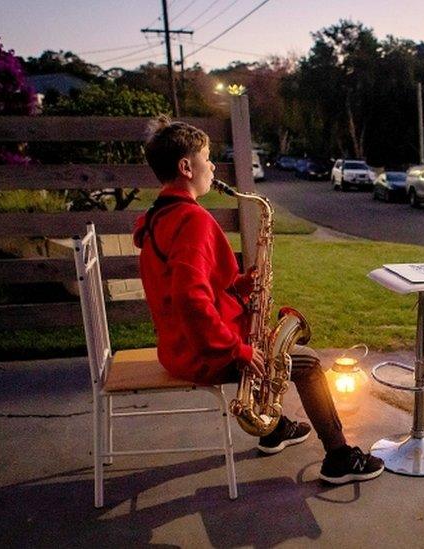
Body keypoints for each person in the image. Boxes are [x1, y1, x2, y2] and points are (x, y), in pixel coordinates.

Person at [132, 116, 383, 484]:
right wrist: (239, 350)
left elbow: (185, 286)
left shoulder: (156, 218)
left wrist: (236, 284)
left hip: (176, 346)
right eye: (207, 157)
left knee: (275, 346)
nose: (214, 166)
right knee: (309, 363)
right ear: (186, 167)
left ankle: (274, 429)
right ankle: (340, 458)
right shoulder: (193, 221)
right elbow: (189, 300)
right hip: (203, 353)